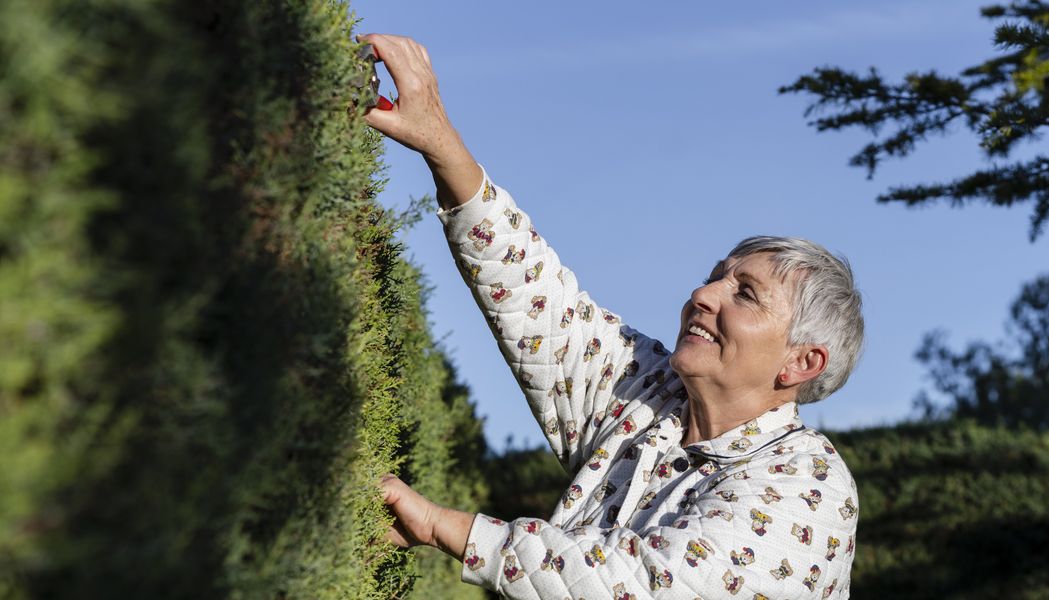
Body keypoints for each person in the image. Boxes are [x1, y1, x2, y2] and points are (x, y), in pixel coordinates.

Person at [360, 33, 865, 599]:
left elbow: (649, 587)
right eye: (716, 274)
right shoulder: (650, 395)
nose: (704, 293)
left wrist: (444, 527)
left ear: (802, 362)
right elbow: (540, 304)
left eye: (744, 293)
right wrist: (440, 142)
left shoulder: (806, 487)